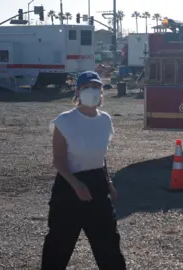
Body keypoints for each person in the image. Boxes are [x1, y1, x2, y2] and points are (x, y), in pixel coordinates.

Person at [41, 71, 126, 270]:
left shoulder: (105, 120)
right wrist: (76, 184)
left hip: (97, 184)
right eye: (87, 87)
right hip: (69, 187)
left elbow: (100, 155)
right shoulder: (65, 121)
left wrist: (109, 182)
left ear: (102, 92)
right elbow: (58, 160)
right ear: (78, 92)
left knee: (109, 244)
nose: (92, 91)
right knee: (58, 245)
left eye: (96, 87)